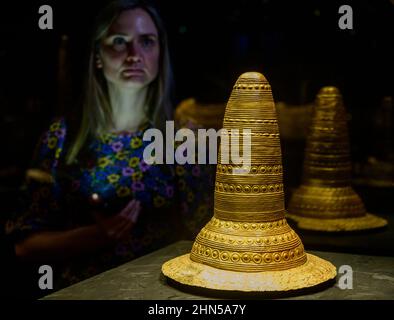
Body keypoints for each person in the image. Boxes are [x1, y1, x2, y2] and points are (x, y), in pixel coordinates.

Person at [5, 0, 213, 293]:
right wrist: (94, 236)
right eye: (119, 41)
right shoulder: (62, 137)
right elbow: (25, 246)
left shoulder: (183, 139)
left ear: (159, 53)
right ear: (98, 55)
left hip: (160, 294)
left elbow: (207, 240)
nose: (134, 55)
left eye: (147, 41)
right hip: (81, 292)